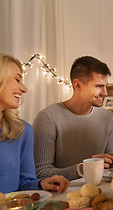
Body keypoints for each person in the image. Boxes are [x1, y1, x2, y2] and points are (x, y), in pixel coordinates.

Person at [33, 56, 113, 181]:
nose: (105, 93)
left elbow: (107, 169)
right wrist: (82, 169)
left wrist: (112, 163)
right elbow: (41, 172)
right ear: (77, 85)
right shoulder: (47, 118)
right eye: (99, 86)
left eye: (105, 86)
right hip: (61, 195)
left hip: (99, 191)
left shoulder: (108, 118)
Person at [0, 54, 70, 194]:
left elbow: (24, 183)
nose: (24, 89)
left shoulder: (21, 131)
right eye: (17, 79)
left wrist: (41, 183)